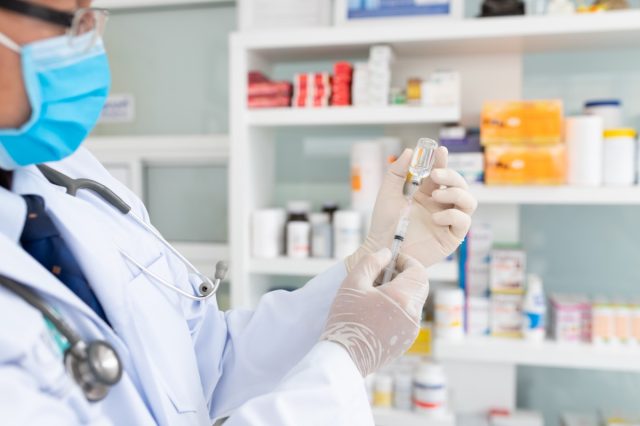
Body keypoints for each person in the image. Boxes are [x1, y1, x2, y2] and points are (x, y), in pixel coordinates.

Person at [0, 1, 477, 424]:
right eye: (72, 21)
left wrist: (377, 256)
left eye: (94, 17)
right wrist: (344, 359)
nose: (91, 43)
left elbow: (209, 361)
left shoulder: (66, 172)